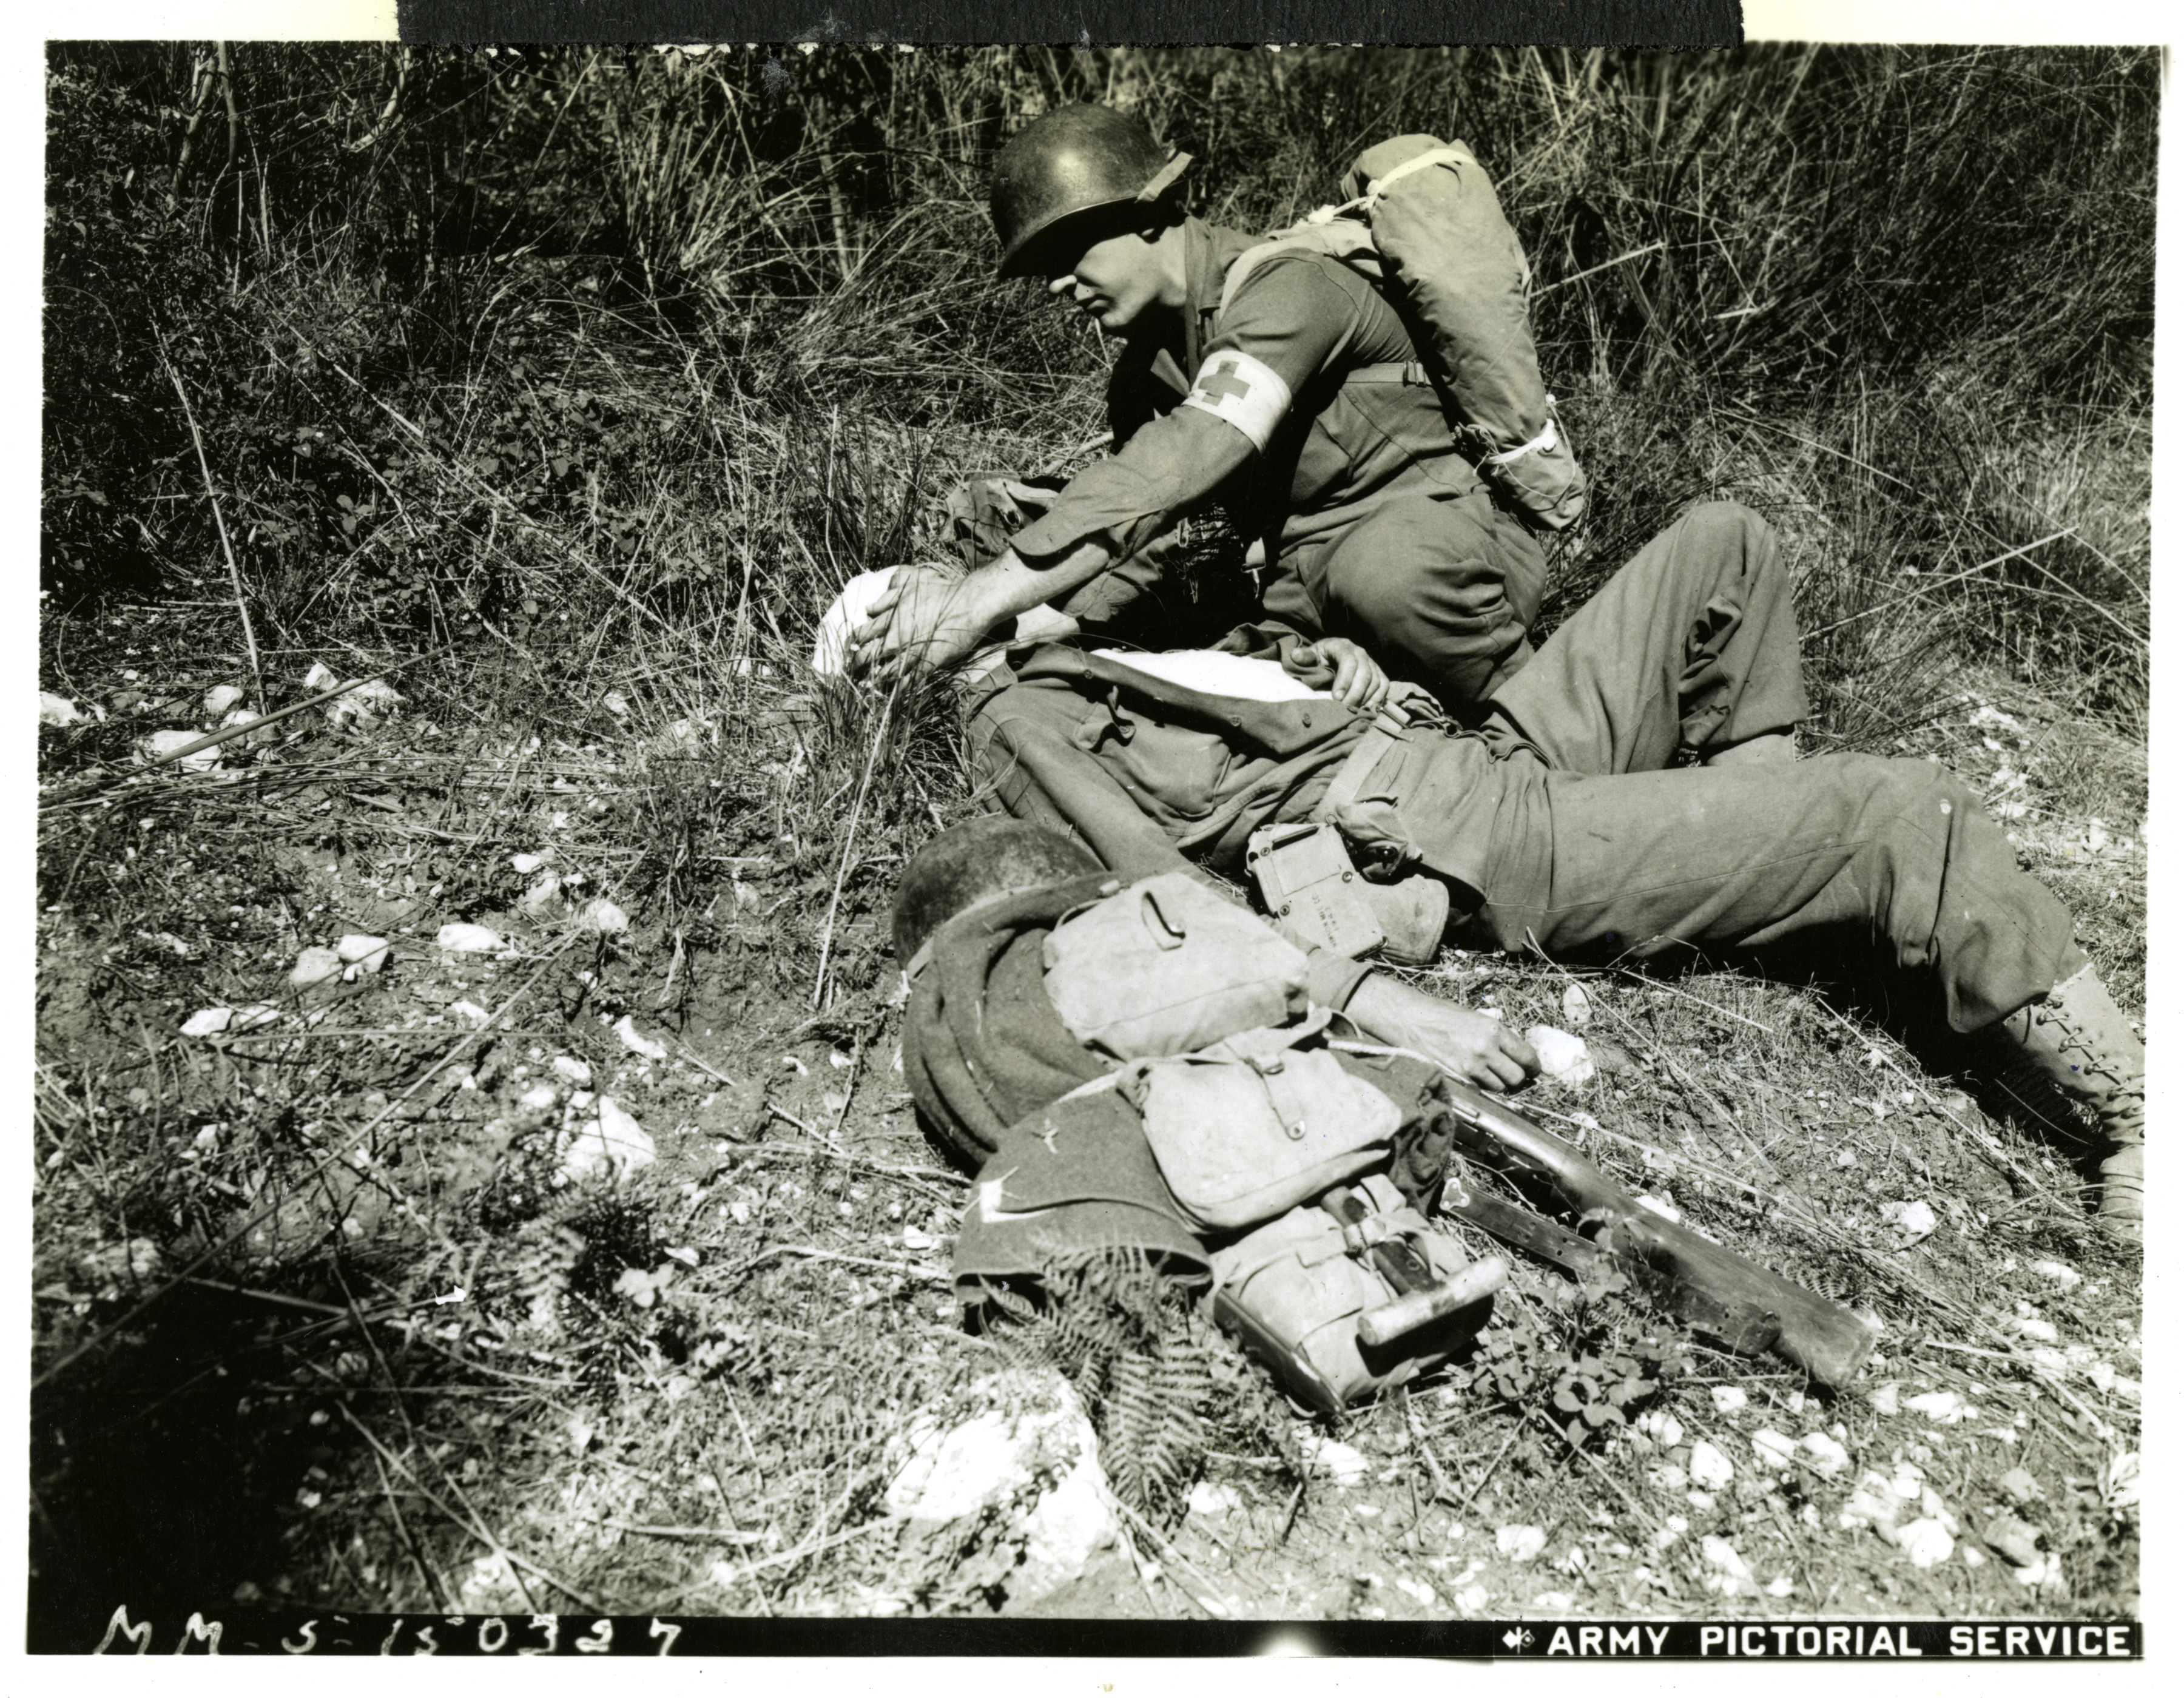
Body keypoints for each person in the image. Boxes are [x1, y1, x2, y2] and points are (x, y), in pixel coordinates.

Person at [903, 498, 2145, 1239]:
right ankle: (2137, 1115)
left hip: (1470, 751)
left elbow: (1280, 695)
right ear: (918, 651)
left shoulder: (1103, 650)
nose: (975, 577)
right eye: (916, 599)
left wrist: (1336, 671)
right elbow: (1171, 907)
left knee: (1726, 540)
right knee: (1902, 804)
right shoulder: (1022, 720)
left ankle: (1776, 874)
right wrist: (1384, 1003)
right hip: (1481, 836)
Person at [850, 103, 1554, 717]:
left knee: (1384, 570)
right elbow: (1143, 538)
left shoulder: (1290, 290)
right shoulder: (1144, 376)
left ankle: (1544, 726)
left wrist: (978, 600)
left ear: (1152, 213)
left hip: (1443, 559)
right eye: (1044, 270)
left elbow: (1193, 449)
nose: (1061, 283)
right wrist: (1023, 623)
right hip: (1307, 601)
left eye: (1071, 249)